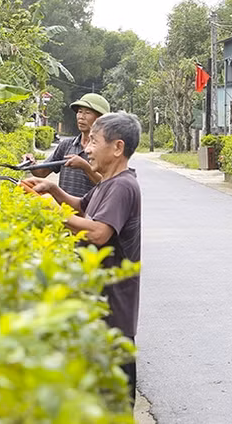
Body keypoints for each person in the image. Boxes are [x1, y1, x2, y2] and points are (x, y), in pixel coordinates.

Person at [23, 111, 142, 406]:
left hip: (114, 310)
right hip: (101, 302)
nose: (86, 148)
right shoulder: (107, 183)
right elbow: (81, 206)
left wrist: (51, 211)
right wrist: (53, 189)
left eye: (94, 142)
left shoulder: (123, 186)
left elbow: (99, 232)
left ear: (117, 147)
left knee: (115, 400)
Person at [24, 93, 110, 197]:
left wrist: (85, 167)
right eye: (79, 112)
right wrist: (30, 163)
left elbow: (108, 186)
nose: (81, 117)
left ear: (101, 119)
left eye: (87, 113)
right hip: (65, 210)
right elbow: (42, 172)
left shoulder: (106, 149)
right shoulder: (66, 145)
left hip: (92, 211)